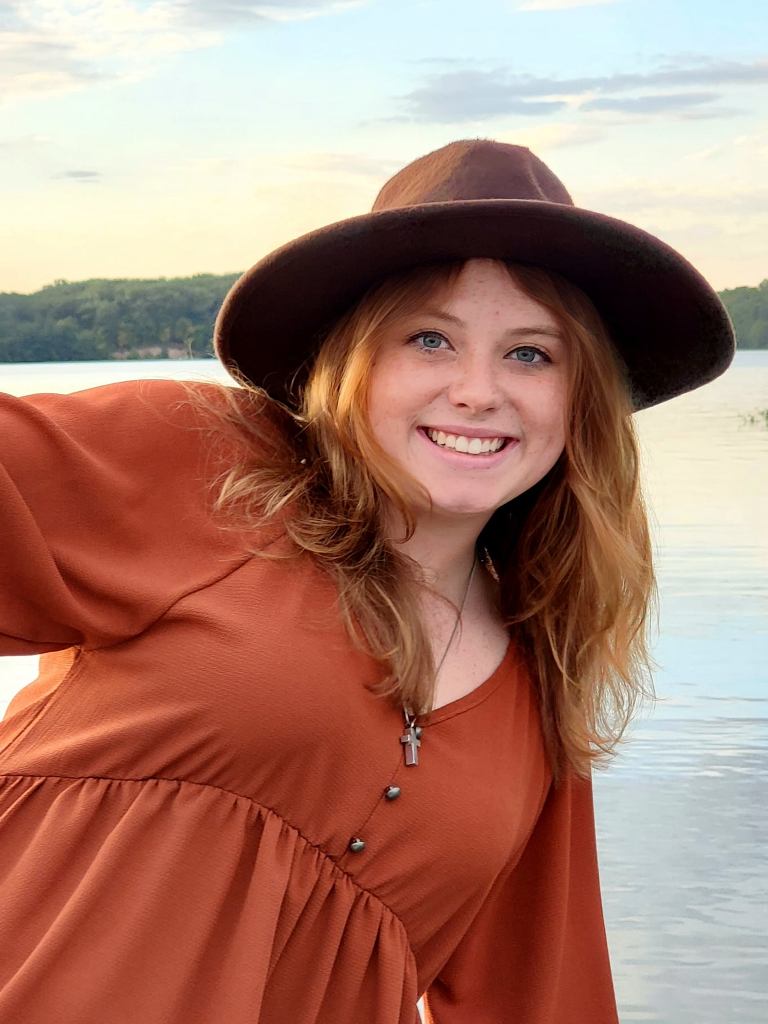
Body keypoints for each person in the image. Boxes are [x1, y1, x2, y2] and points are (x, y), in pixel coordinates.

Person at [0, 139, 734, 1024]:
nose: (478, 391)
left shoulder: (539, 693)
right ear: (354, 359)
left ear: (582, 401)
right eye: (430, 339)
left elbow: (545, 998)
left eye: (532, 354)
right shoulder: (205, 466)